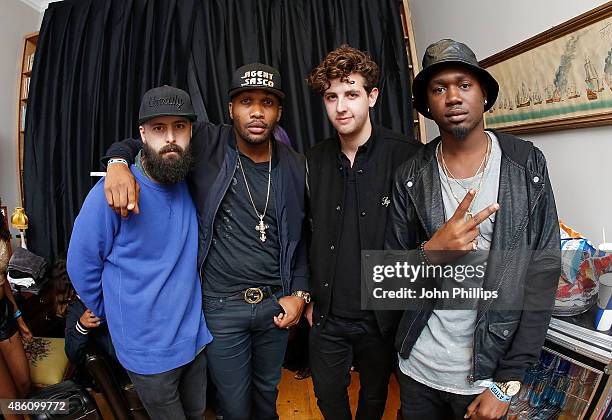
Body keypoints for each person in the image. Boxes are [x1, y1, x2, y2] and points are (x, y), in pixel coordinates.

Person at [102, 64, 310, 420]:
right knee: (232, 403)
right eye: (246, 101)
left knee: (266, 395)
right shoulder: (207, 142)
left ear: (279, 111)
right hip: (221, 307)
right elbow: (144, 141)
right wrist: (117, 163)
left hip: (274, 304)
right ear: (231, 109)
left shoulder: (295, 165)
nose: (257, 111)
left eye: (267, 102)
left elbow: (301, 238)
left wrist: (301, 295)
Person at [385, 39, 561, 419]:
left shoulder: (526, 166)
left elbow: (543, 272)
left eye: (464, 85)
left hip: (487, 377)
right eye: (439, 88)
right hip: (418, 368)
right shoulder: (411, 176)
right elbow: (386, 279)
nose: (452, 97)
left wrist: (506, 382)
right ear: (427, 105)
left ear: (483, 95)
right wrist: (432, 253)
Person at [67, 85, 213, 420]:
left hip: (194, 338)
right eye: (159, 129)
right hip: (147, 351)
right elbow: (81, 264)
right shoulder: (115, 191)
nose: (170, 138)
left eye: (179, 127)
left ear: (191, 131)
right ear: (143, 134)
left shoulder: (189, 179)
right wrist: (118, 312)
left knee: (198, 413)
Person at [305, 45, 421, 419]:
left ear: (371, 96)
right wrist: (306, 294)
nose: (341, 107)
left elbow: (421, 235)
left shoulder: (407, 156)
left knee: (374, 398)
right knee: (327, 395)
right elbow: (302, 234)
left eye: (351, 94)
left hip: (381, 314)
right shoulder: (312, 160)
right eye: (332, 97)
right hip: (327, 314)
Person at [0, 210, 32, 420]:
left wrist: (18, 316)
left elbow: (4, 280)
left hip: (3, 313)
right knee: (9, 399)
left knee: (23, 383)